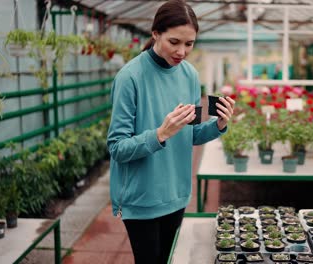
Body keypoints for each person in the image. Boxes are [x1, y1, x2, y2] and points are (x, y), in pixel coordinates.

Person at [106, 1, 235, 263]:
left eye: (189, 44)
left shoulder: (189, 75)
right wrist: (160, 133)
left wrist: (219, 124)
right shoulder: (129, 77)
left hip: (177, 195)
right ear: (155, 34)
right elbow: (117, 148)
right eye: (174, 41)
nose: (182, 51)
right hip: (142, 200)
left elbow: (192, 134)